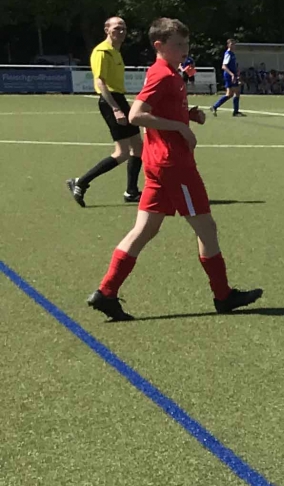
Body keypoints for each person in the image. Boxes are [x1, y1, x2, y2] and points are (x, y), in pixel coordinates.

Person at [86, 17, 262, 321]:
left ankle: (106, 292)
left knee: (145, 229)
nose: (185, 50)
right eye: (178, 45)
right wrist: (180, 128)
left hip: (159, 162)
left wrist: (187, 115)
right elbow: (136, 115)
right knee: (206, 228)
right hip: (173, 164)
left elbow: (158, 109)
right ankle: (223, 295)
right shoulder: (162, 75)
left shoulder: (168, 72)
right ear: (159, 45)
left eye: (186, 44)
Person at [66, 14, 142, 207]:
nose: (121, 31)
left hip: (119, 98)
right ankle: (81, 182)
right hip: (111, 101)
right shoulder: (102, 51)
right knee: (122, 152)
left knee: (138, 147)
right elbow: (100, 82)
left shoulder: (116, 51)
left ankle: (131, 191)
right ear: (107, 30)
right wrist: (116, 108)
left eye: (123, 28)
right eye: (117, 28)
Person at [210, 37, 243, 116]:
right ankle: (216, 107)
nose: (233, 46)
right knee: (232, 93)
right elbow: (224, 66)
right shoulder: (228, 54)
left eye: (234, 44)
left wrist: (237, 71)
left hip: (232, 75)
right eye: (232, 44)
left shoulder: (232, 54)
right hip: (229, 75)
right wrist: (232, 74)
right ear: (228, 45)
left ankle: (216, 107)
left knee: (233, 93)